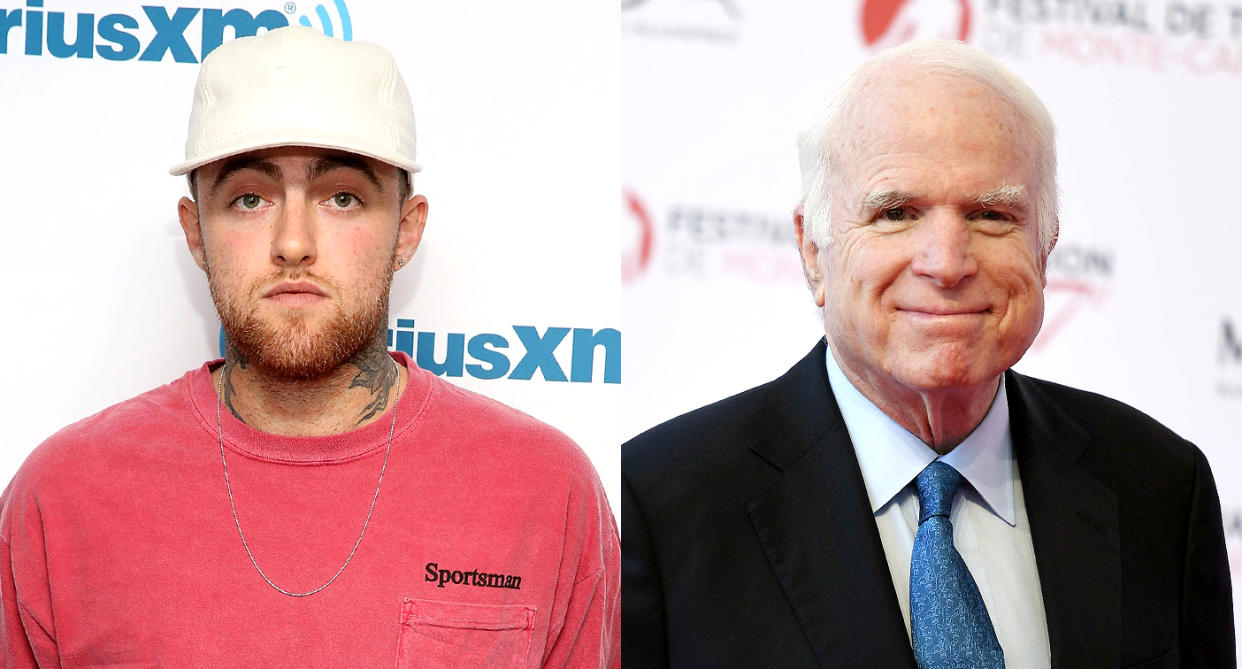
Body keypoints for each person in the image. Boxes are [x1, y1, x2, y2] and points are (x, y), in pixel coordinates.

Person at [1, 26, 618, 667]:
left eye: (343, 197)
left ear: (406, 232)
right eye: (249, 199)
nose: (293, 243)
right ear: (195, 233)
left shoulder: (545, 491)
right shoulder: (62, 497)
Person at [622, 39, 1234, 668]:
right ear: (813, 250)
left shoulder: (1159, 487)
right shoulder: (659, 505)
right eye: (896, 213)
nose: (946, 263)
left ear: (1046, 245)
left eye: (991, 214)